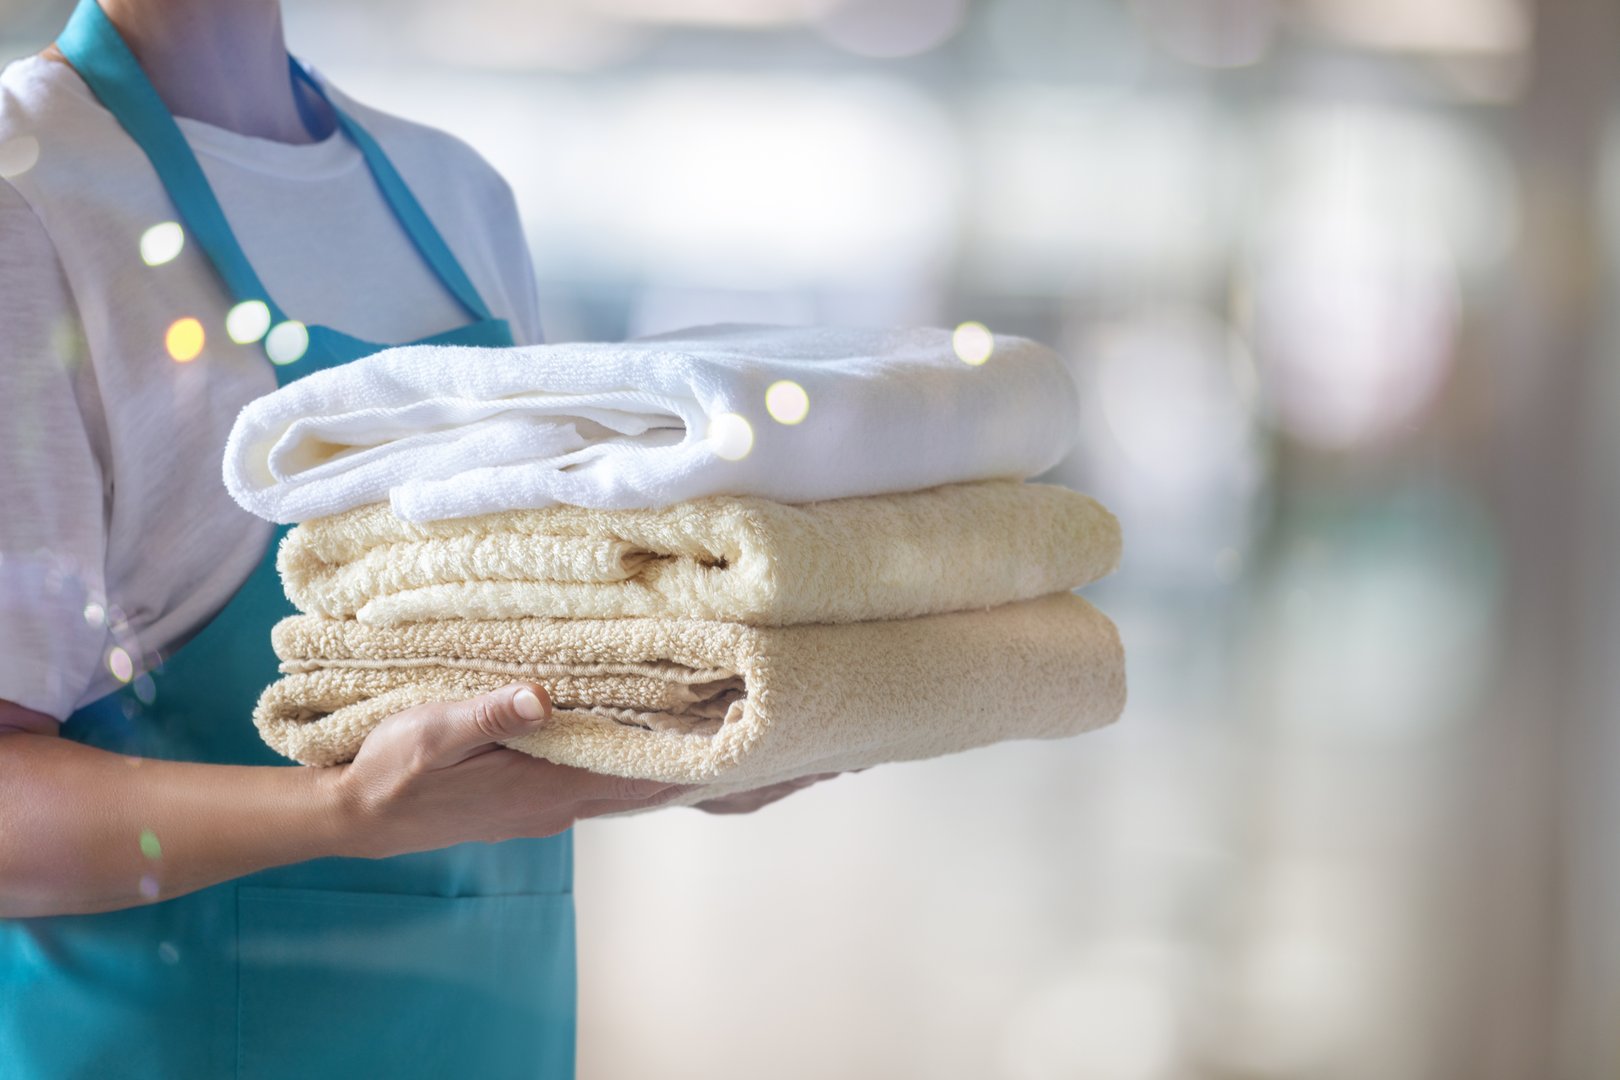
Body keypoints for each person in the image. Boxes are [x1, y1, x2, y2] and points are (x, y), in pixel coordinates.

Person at [0, 1, 828, 1075]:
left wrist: (684, 740)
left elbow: (527, 680)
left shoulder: (457, 196)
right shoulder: (30, 195)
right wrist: (338, 810)